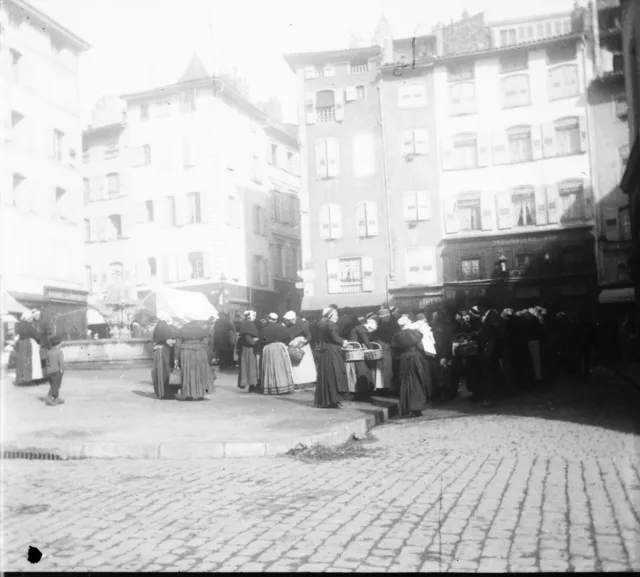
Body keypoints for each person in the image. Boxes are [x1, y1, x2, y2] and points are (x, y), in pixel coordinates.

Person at [391, 317, 429, 417]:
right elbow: (420, 346)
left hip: (403, 360)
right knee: (417, 380)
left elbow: (394, 352)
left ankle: (407, 407)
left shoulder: (397, 336)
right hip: (415, 359)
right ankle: (417, 407)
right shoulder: (413, 333)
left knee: (405, 382)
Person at [314, 307, 349, 408]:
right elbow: (334, 337)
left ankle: (328, 400)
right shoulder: (330, 325)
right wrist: (343, 342)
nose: (337, 316)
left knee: (327, 374)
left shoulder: (321, 324)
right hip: (332, 351)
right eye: (335, 315)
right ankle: (334, 400)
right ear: (330, 316)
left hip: (325, 351)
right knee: (335, 374)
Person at [177, 320, 216, 401]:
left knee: (188, 373)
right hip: (199, 352)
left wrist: (177, 356)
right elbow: (205, 342)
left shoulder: (181, 329)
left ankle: (188, 395)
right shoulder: (201, 329)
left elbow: (178, 344)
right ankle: (201, 394)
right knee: (201, 373)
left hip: (186, 352)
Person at [258, 313, 295, 395]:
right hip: (280, 347)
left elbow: (262, 340)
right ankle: (283, 386)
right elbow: (289, 336)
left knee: (270, 368)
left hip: (268, 348)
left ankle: (271, 387)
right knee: (281, 367)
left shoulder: (264, 329)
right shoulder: (282, 327)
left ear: (268, 318)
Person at [283, 310, 317, 389]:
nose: (290, 321)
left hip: (303, 346)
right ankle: (298, 382)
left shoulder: (303, 324)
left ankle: (308, 382)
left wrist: (304, 342)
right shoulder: (288, 325)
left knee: (305, 364)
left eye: (291, 320)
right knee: (296, 364)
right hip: (294, 346)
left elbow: (309, 335)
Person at [151, 312, 179, 400]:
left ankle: (161, 391)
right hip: (165, 352)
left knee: (159, 372)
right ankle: (167, 392)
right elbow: (168, 341)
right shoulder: (165, 327)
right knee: (166, 371)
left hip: (158, 351)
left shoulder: (158, 326)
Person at [345, 315, 373, 399]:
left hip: (353, 350)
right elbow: (366, 341)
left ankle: (356, 391)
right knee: (362, 371)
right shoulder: (360, 328)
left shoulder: (356, 328)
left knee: (354, 372)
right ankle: (362, 394)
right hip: (357, 352)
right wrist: (371, 349)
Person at [14, 310, 44, 385]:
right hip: (27, 343)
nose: (31, 319)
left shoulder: (19, 325)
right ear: (28, 318)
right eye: (30, 318)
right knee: (27, 361)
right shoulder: (29, 326)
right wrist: (39, 342)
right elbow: (37, 336)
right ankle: (28, 379)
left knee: (20, 362)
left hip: (20, 343)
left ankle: (19, 379)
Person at [375, 308, 397, 393]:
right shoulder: (381, 324)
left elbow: (395, 335)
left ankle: (388, 386)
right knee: (382, 368)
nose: (384, 319)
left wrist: (389, 344)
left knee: (388, 367)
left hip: (389, 348)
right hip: (383, 347)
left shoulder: (393, 324)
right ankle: (383, 386)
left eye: (385, 317)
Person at [237, 310, 260, 392]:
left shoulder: (246, 323)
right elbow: (248, 337)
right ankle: (252, 384)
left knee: (248, 367)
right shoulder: (247, 324)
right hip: (249, 349)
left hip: (246, 348)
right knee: (251, 367)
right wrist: (255, 342)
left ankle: (251, 384)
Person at [44, 336, 65, 406]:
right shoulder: (59, 351)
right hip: (57, 371)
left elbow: (47, 362)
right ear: (59, 344)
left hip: (49, 372)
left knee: (53, 385)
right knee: (56, 386)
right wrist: (62, 370)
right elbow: (61, 362)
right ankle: (49, 397)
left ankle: (56, 398)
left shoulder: (48, 352)